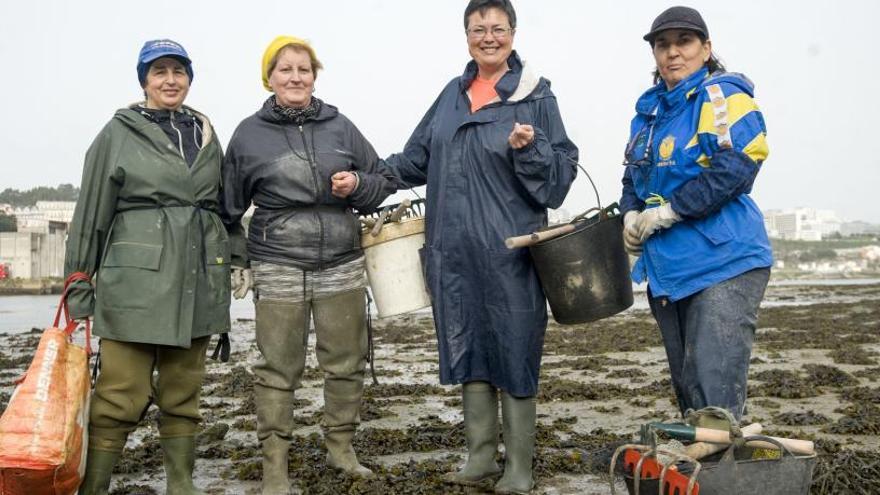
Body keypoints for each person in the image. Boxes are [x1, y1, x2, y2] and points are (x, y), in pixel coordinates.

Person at [376, 1, 578, 492]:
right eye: (477, 28)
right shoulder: (452, 94)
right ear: (466, 34)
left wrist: (531, 149)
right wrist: (362, 180)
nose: (488, 37)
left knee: (515, 350)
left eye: (498, 28)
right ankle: (481, 456)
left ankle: (520, 467)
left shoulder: (536, 97)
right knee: (468, 347)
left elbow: (560, 180)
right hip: (454, 253)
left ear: (513, 32)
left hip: (510, 252)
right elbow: (412, 161)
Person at [220, 36, 395, 494]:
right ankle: (275, 466)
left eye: (304, 69)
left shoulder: (341, 126)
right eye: (286, 69)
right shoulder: (247, 134)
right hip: (277, 262)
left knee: (347, 361)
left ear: (315, 75)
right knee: (278, 368)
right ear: (269, 77)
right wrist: (238, 260)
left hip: (341, 259)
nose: (296, 77)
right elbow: (227, 209)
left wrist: (356, 183)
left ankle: (341, 448)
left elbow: (382, 179)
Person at [65, 39, 230, 495]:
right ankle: (93, 487)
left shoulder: (207, 134)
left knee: (183, 392)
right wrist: (79, 282)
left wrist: (232, 259)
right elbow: (90, 211)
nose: (170, 80)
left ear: (189, 80)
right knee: (119, 394)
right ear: (144, 81)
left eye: (178, 72)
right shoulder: (117, 132)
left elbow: (223, 207)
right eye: (159, 72)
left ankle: (181, 484)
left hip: (197, 281)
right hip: (133, 284)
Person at [619, 6, 773, 422]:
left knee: (713, 395)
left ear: (706, 49)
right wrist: (631, 217)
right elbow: (633, 179)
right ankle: (706, 477)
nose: (673, 53)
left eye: (684, 42)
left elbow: (738, 166)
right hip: (669, 270)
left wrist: (670, 211)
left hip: (725, 262)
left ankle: (728, 478)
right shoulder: (649, 115)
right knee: (690, 394)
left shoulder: (720, 95)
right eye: (662, 45)